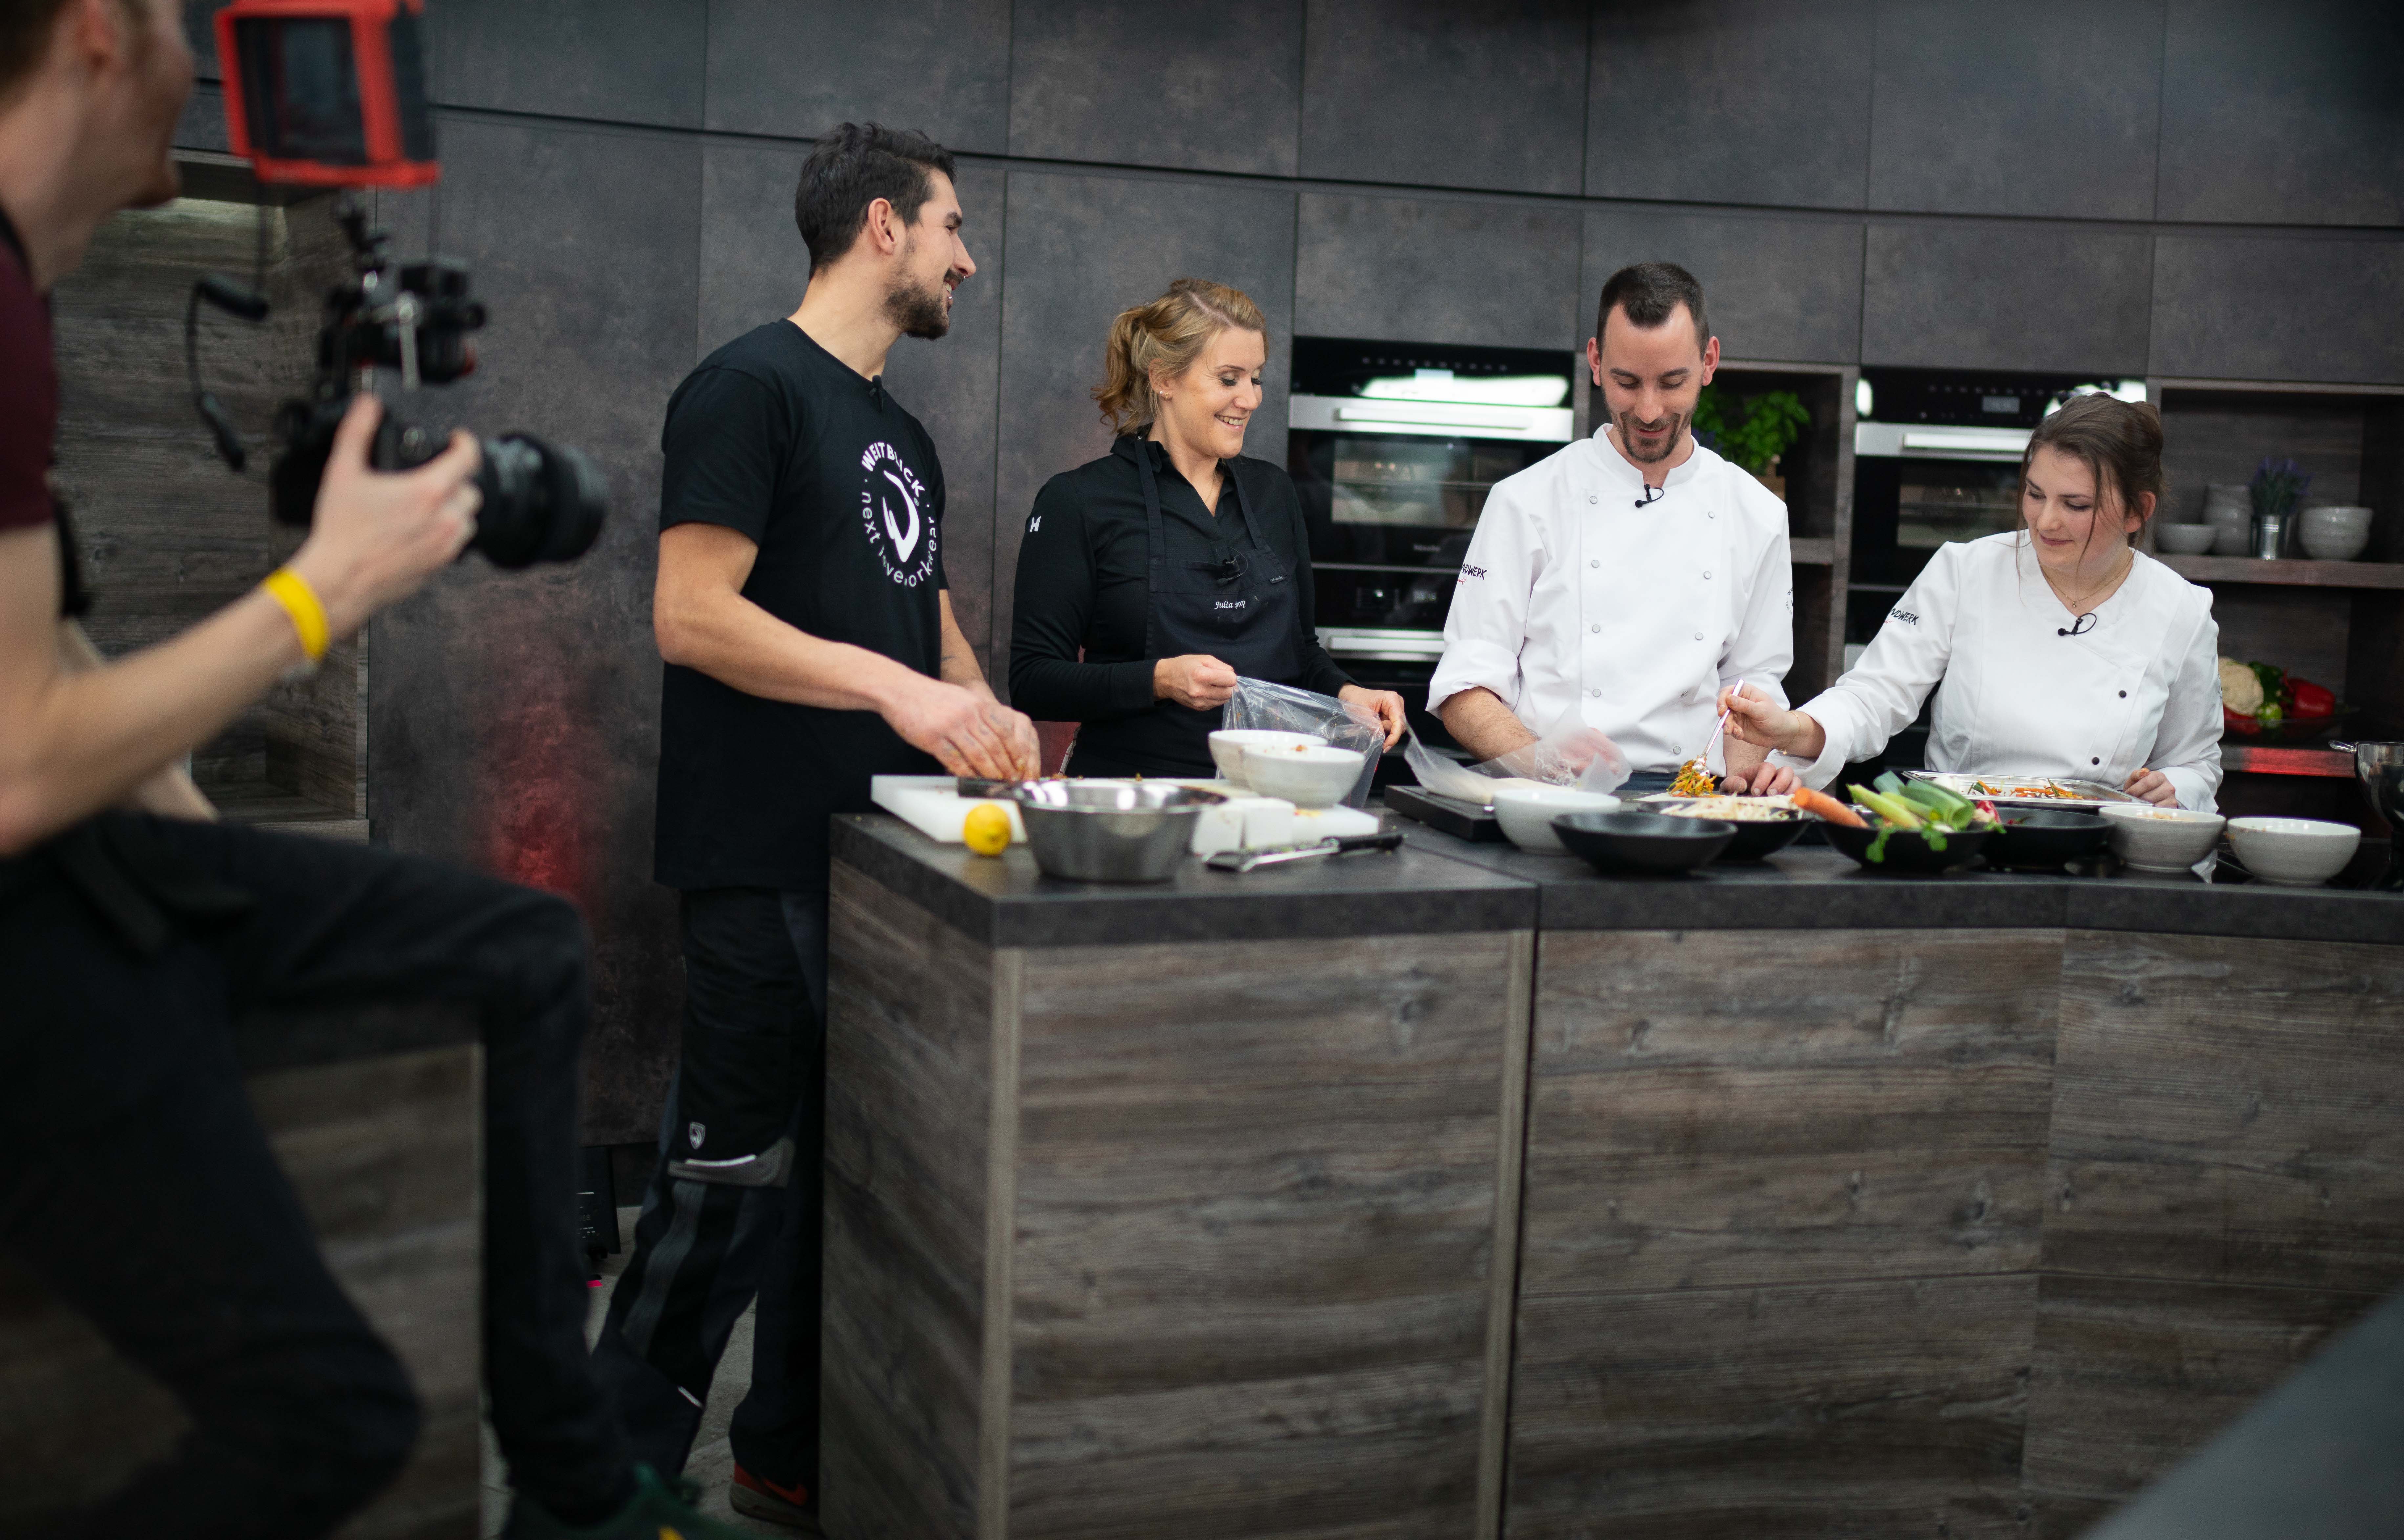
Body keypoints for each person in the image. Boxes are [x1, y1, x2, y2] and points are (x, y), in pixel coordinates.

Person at [0, 0, 751, 1536]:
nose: (191, 58)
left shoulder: (21, 299)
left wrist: (231, 904)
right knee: (331, 1416)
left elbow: (48, 644)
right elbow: (16, 766)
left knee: (526, 950)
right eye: (174, 18)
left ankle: (565, 1468)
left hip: (83, 861)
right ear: (91, 24)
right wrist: (326, 586)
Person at [592, 122, 1039, 1529]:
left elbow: (922, 605)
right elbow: (691, 616)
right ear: (884, 229)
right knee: (723, 1198)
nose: (970, 256)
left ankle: (787, 1458)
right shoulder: (746, 388)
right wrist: (906, 692)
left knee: (841, 1199)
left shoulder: (897, 427)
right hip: (761, 861)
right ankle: (597, 1494)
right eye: (954, 225)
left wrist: (986, 713)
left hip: (884, 874)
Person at [1720, 392, 2223, 812]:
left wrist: (2177, 787)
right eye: (2034, 493)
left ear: (2139, 511)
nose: (2045, 522)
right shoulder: (1966, 571)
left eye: (2076, 505)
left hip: (2098, 854)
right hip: (1962, 839)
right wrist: (1792, 728)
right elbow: (1874, 695)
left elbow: (2197, 762)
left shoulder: (2180, 610)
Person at [1008, 278, 1406, 776]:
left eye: (1255, 378)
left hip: (1267, 796)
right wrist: (1159, 679)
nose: (1251, 398)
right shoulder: (1079, 501)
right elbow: (1033, 680)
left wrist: (1352, 695)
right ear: (1164, 380)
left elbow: (1301, 652)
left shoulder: (1273, 493)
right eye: (1229, 379)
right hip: (1135, 801)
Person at [1429, 262, 1797, 792]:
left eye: (1673, 383)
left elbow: (1754, 685)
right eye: (1628, 382)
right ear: (1597, 363)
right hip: (1549, 798)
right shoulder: (1525, 501)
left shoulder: (1757, 514)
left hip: (1690, 802)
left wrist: (1742, 783)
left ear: (1709, 362)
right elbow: (1465, 687)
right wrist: (1540, 761)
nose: (1649, 411)